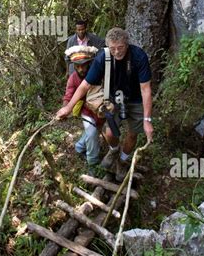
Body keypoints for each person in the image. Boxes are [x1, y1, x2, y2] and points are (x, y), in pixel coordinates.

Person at [57, 27, 153, 174]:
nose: (117, 52)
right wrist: (69, 107)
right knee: (109, 132)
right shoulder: (103, 57)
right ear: (108, 46)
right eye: (113, 48)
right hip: (114, 98)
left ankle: (122, 160)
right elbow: (85, 85)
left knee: (132, 133)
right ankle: (114, 150)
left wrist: (147, 119)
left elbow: (145, 89)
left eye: (120, 47)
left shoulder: (138, 56)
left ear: (127, 44)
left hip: (135, 99)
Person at [63, 45, 104, 167]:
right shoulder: (73, 78)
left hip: (100, 109)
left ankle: (79, 146)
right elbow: (68, 95)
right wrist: (65, 109)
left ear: (89, 63)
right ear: (74, 66)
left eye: (84, 65)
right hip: (86, 110)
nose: (81, 69)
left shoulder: (98, 73)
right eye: (77, 66)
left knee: (94, 130)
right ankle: (93, 162)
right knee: (91, 133)